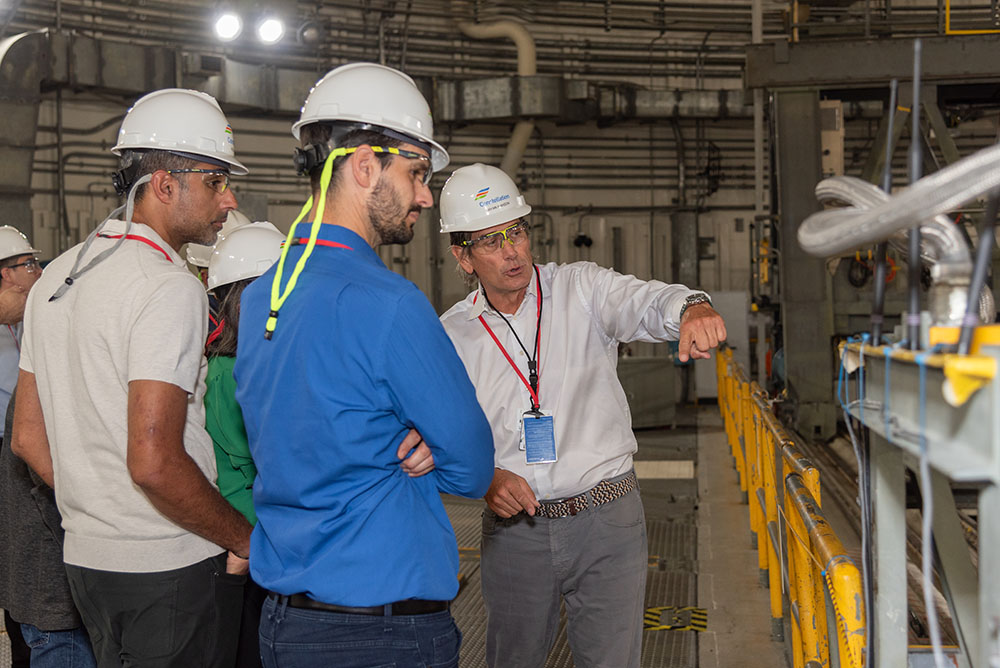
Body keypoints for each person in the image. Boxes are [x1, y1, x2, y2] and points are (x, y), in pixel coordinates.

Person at [234, 62, 495, 668]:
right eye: (417, 173)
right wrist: (429, 441)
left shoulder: (258, 299)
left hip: (283, 625)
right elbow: (474, 468)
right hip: (381, 637)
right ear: (363, 167)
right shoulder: (391, 305)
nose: (427, 196)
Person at [438, 163, 728, 668]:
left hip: (607, 519)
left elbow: (645, 300)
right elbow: (440, 432)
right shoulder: (451, 335)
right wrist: (484, 480)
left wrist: (691, 307)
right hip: (515, 532)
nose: (512, 251)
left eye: (517, 232)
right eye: (490, 241)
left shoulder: (581, 289)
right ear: (463, 256)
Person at [12, 88, 254, 668]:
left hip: (87, 562)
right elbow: (153, 461)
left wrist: (101, 510)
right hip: (167, 565)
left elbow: (27, 437)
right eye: (217, 182)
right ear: (166, 185)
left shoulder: (57, 276)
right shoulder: (167, 287)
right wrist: (243, 537)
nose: (230, 199)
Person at [0, 228, 95, 667]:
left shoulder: (29, 331)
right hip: (31, 503)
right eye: (28, 265)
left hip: (24, 496)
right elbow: (27, 439)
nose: (37, 273)